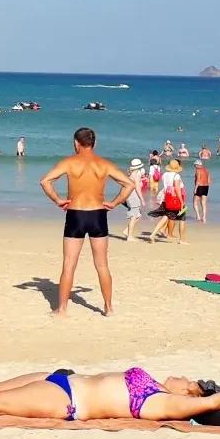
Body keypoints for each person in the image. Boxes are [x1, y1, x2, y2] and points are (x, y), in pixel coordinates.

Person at [0, 368, 220, 424]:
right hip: (65, 377)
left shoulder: (167, 403)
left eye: (187, 379)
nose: (181, 375)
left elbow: (212, 404)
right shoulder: (158, 389)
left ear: (190, 392)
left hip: (70, 401)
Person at [37, 127, 136, 317]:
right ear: (94, 143)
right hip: (98, 215)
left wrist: (58, 200)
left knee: (69, 264)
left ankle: (62, 310)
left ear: (76, 143)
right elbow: (129, 184)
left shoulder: (69, 162)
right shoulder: (103, 164)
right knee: (102, 265)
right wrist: (114, 203)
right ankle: (108, 308)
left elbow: (45, 181)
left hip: (75, 215)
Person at [153, 159, 188, 242]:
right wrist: (181, 201)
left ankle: (159, 233)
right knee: (180, 216)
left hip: (167, 196)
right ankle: (180, 239)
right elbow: (177, 188)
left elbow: (167, 186)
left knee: (168, 215)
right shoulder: (176, 176)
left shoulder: (165, 174)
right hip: (175, 197)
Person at [122, 157, 154, 241]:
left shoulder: (130, 173)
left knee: (138, 215)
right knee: (134, 216)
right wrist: (142, 199)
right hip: (133, 195)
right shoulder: (136, 174)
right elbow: (137, 188)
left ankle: (126, 231)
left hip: (129, 195)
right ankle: (130, 236)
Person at [193, 158, 211, 223]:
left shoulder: (198, 170)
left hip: (199, 186)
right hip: (206, 187)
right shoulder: (207, 170)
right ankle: (204, 218)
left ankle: (198, 216)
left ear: (197, 165)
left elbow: (198, 180)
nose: (194, 167)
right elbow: (209, 181)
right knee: (203, 203)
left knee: (195, 202)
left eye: (195, 165)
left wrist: (195, 189)